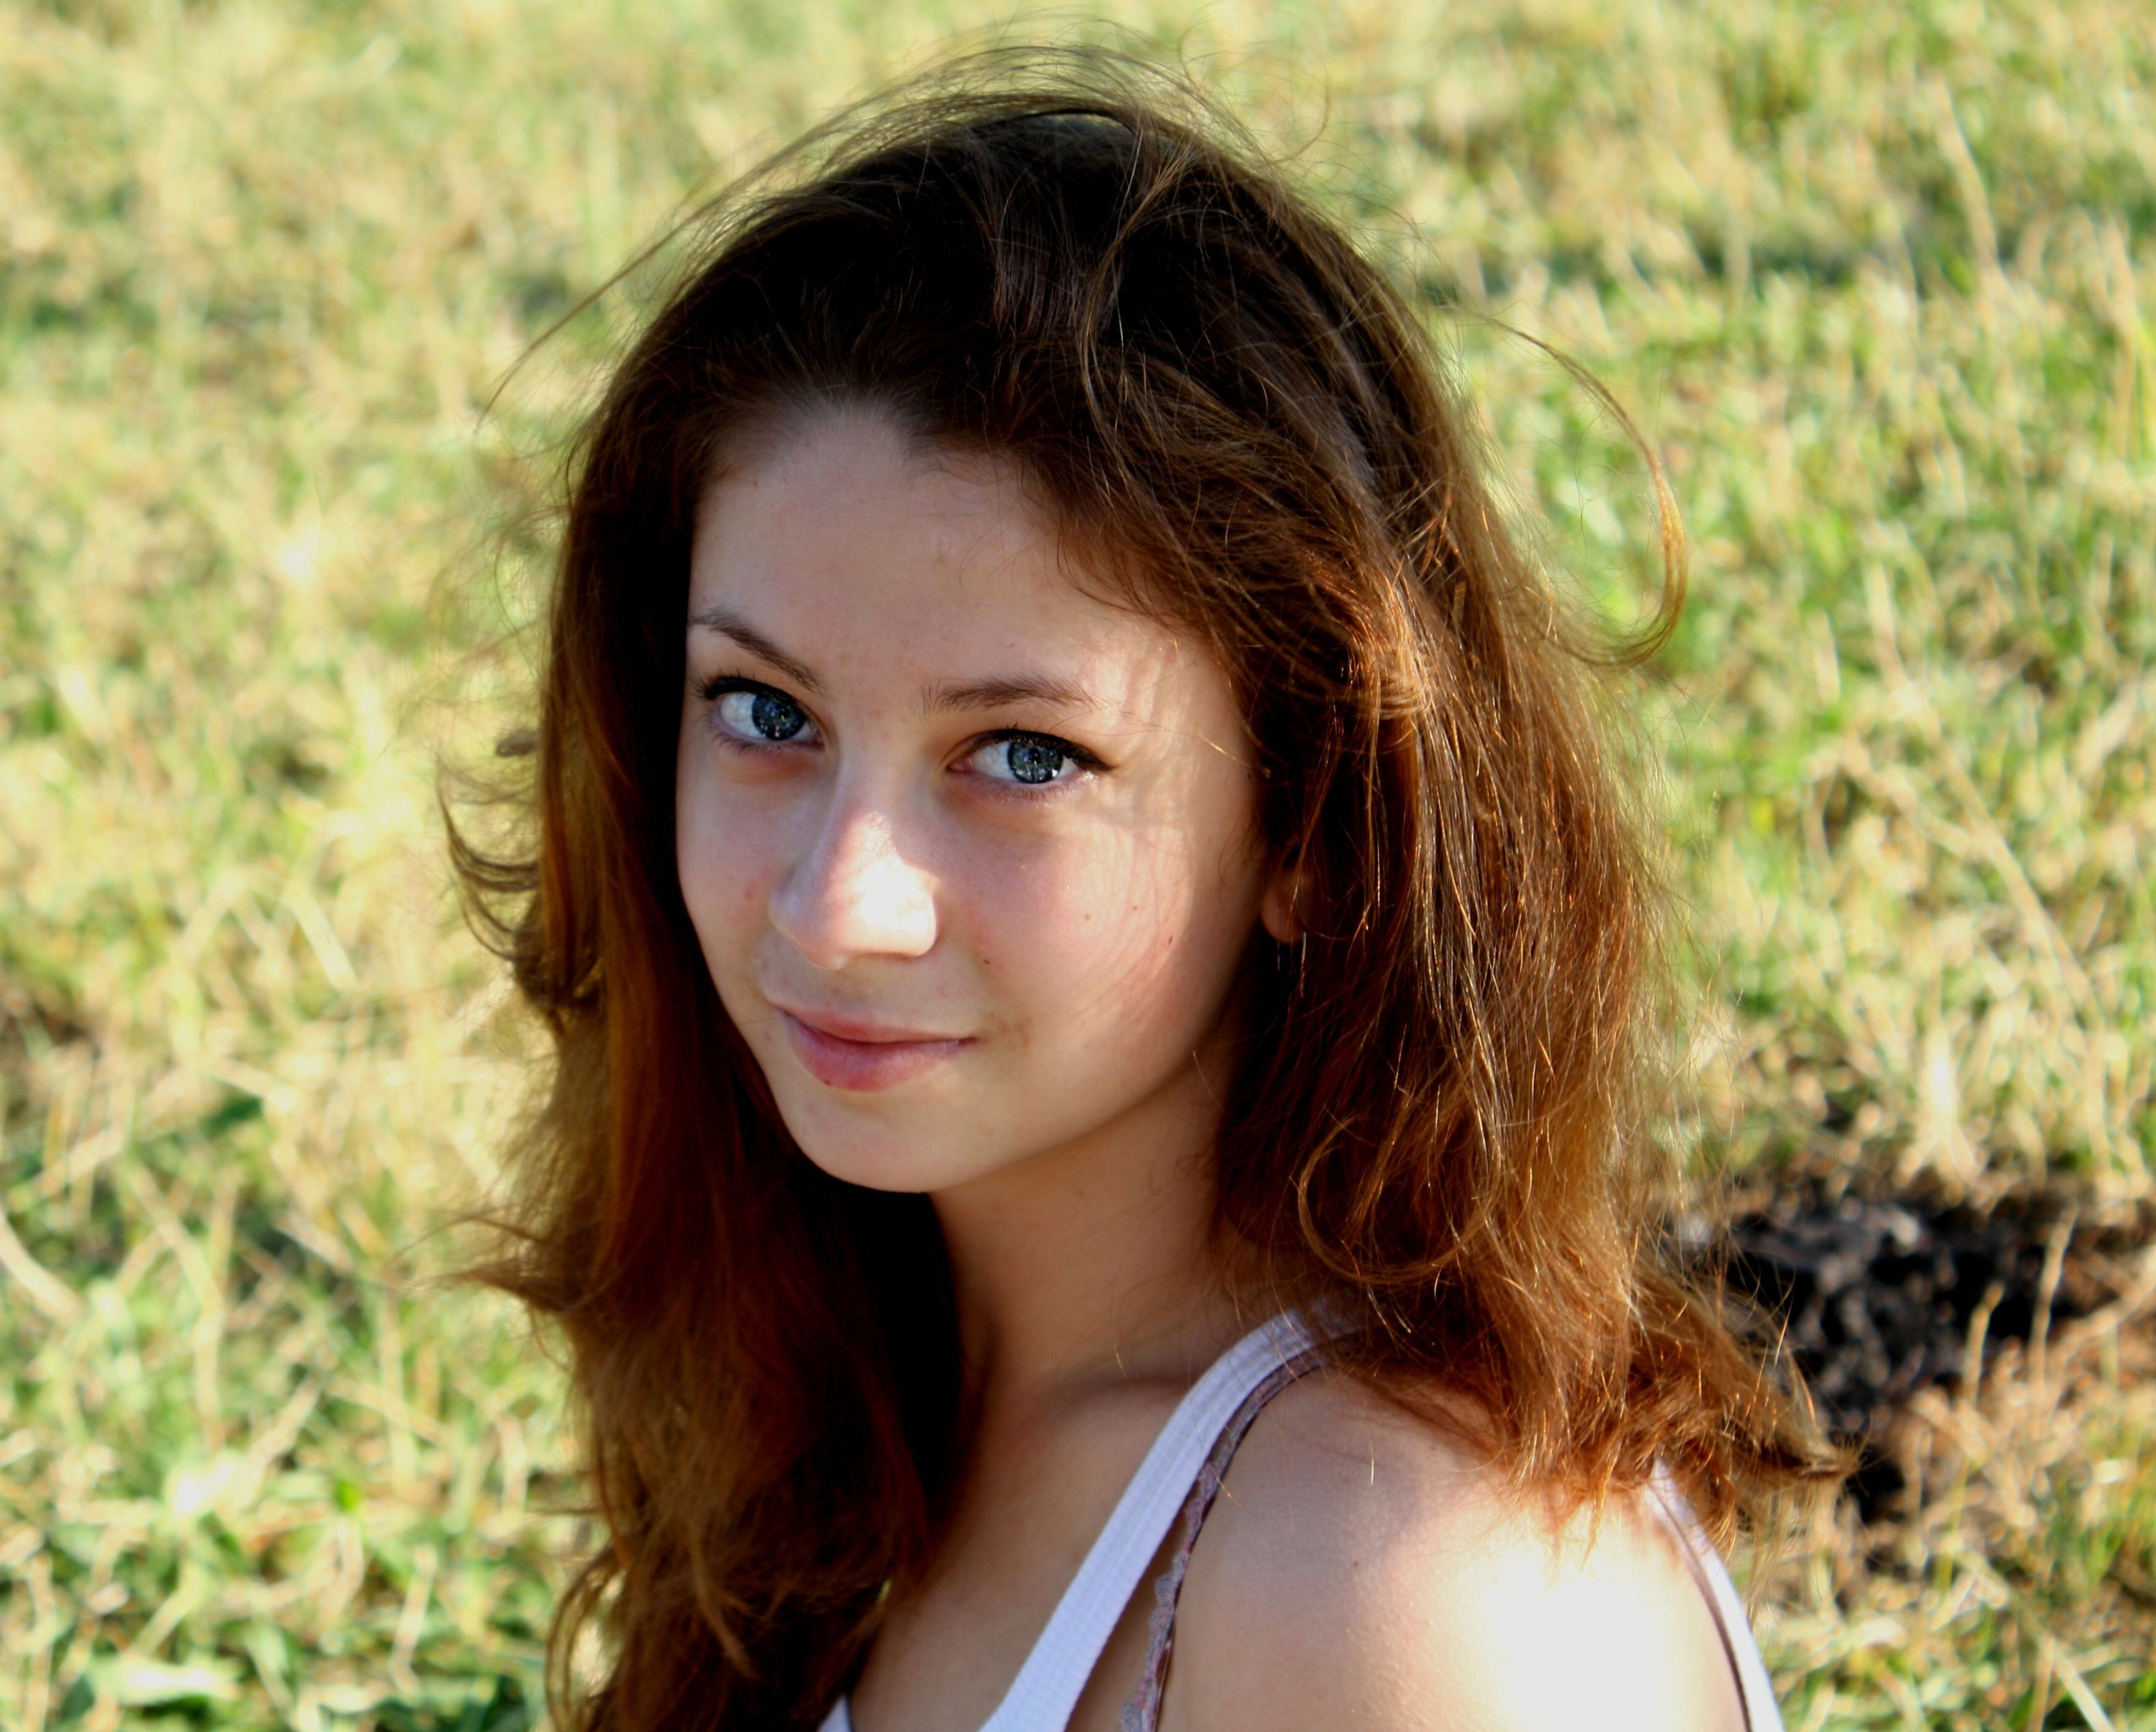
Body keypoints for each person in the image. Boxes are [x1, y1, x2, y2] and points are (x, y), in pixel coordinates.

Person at [459, 49, 1840, 1732]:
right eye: (765, 712)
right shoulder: (845, 1369)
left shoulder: (1407, 1587)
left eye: (1023, 753)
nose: (836, 905)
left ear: (1317, 823)